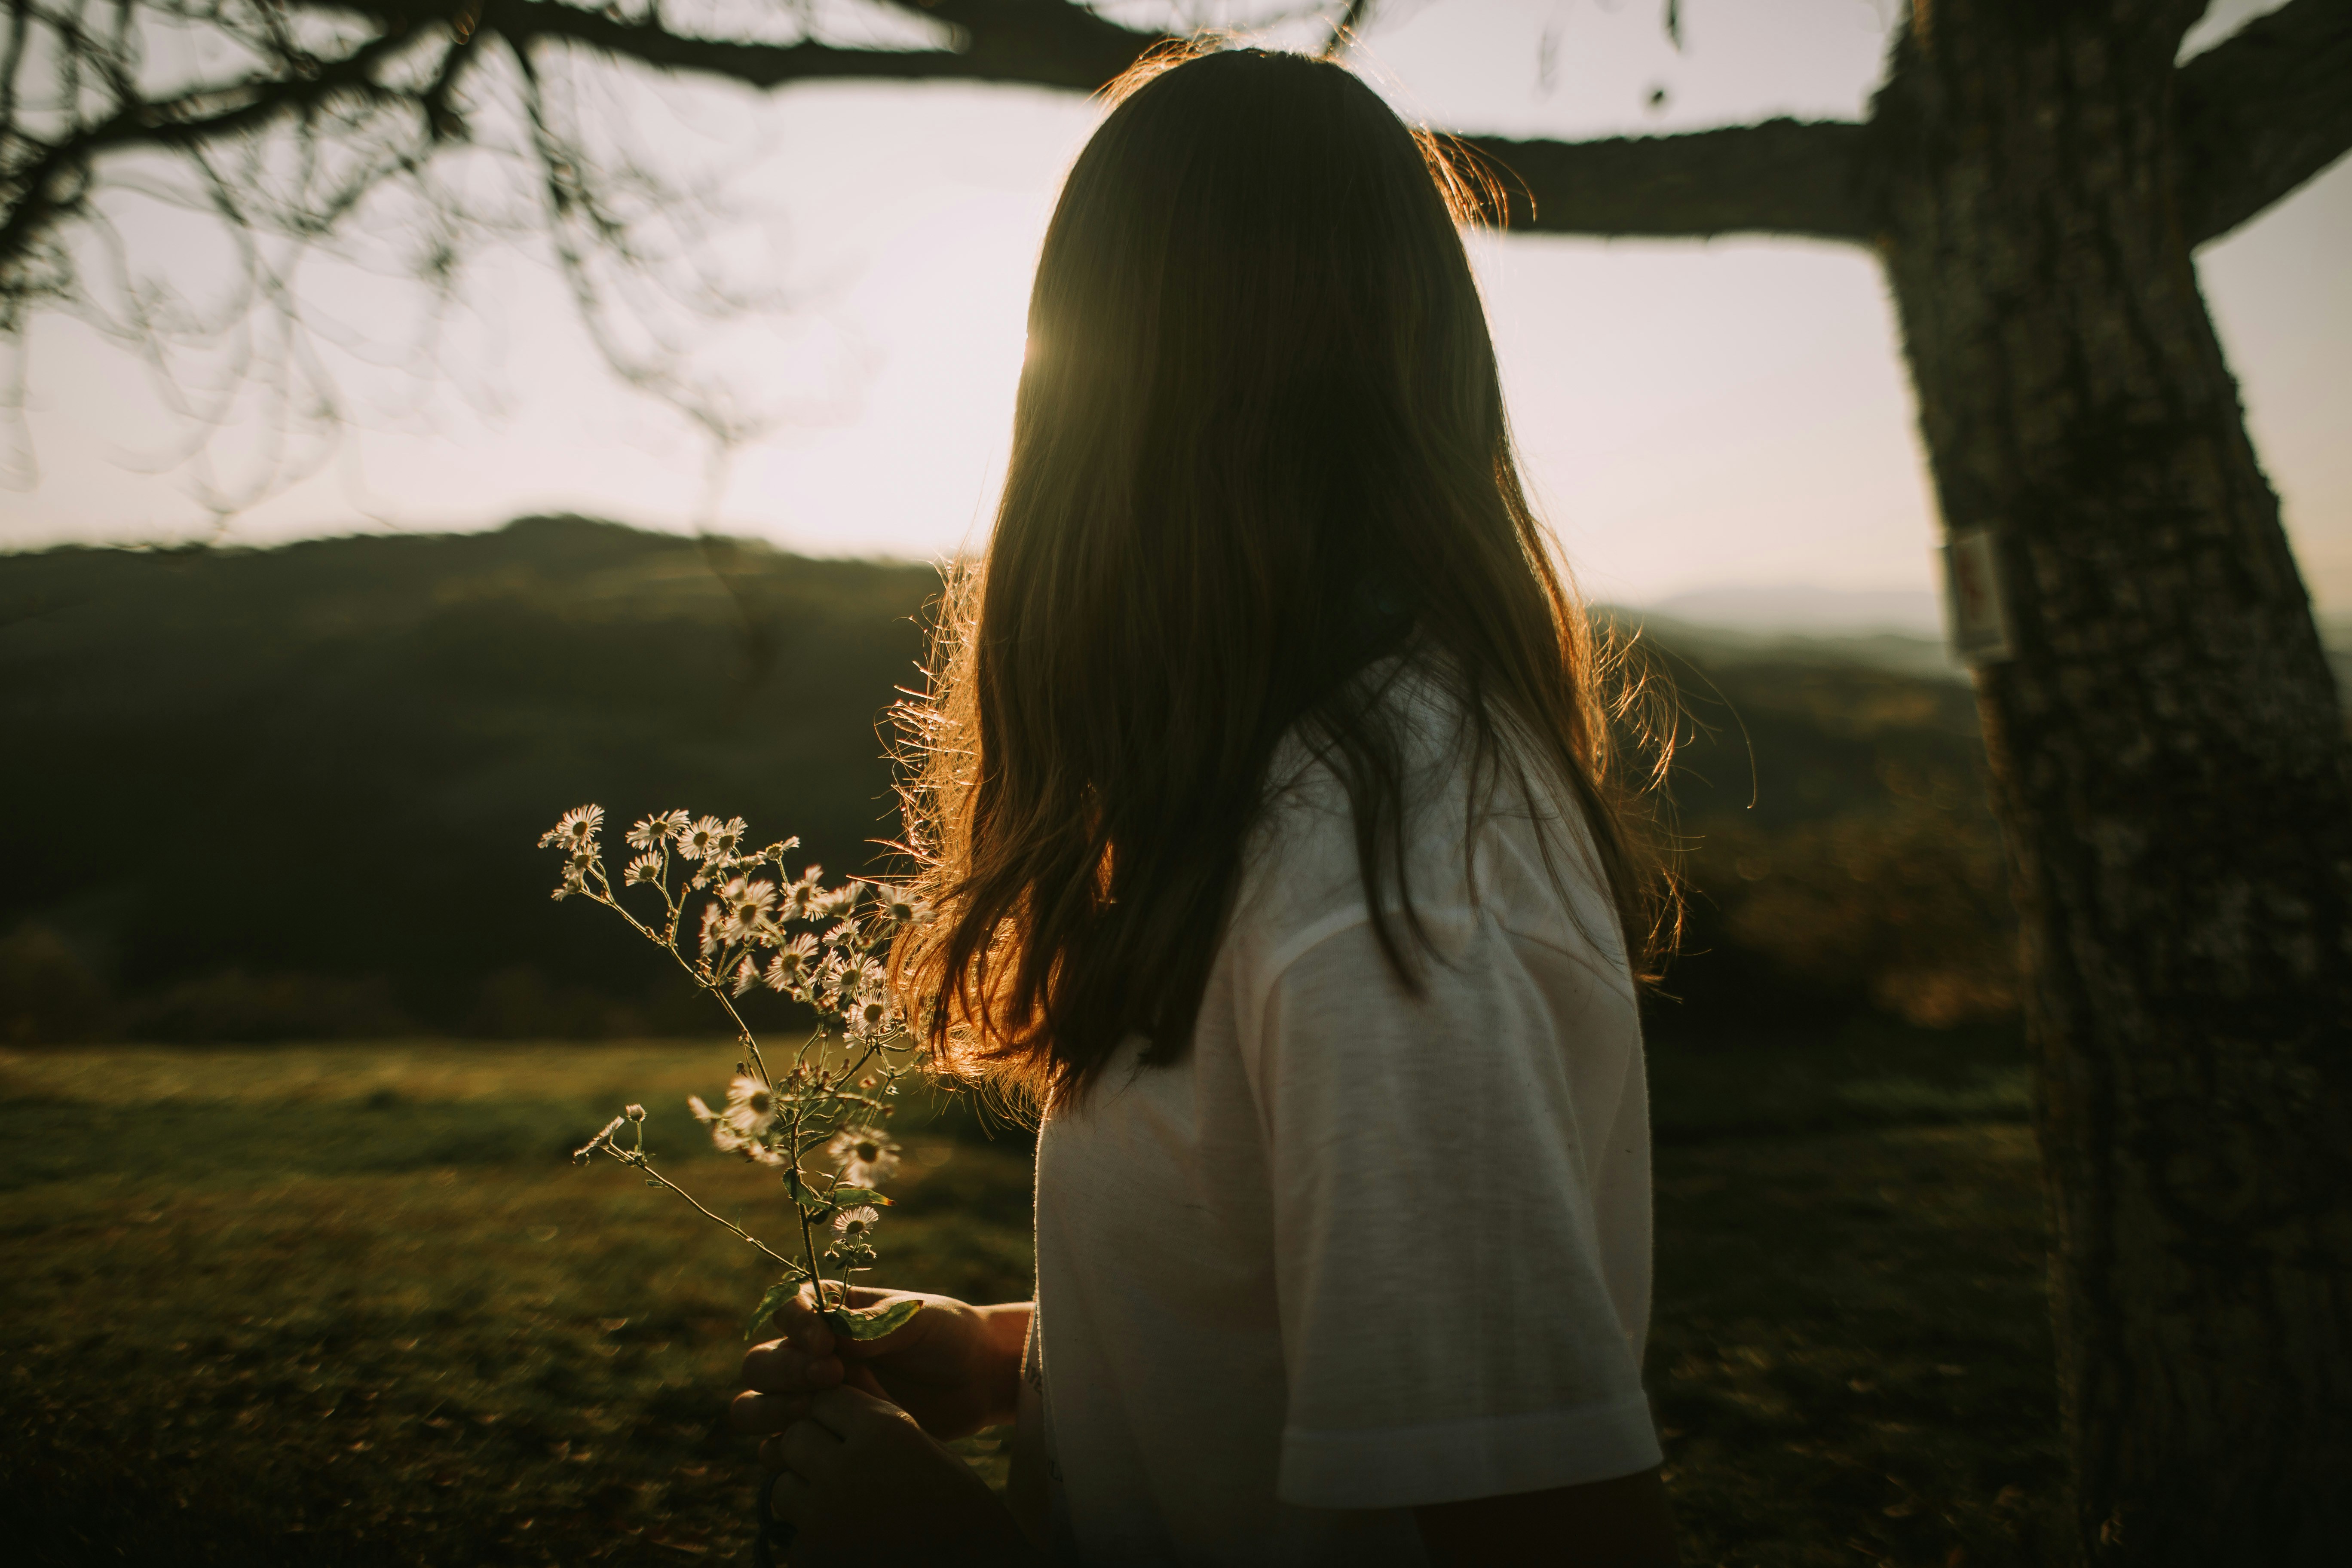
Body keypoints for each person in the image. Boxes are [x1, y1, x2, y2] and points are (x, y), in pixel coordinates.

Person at [727, 43, 1682, 1568]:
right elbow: (1320, 1321)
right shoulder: (1269, 791)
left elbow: (1560, 1542)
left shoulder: (1389, 881)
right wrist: (1023, 1358)